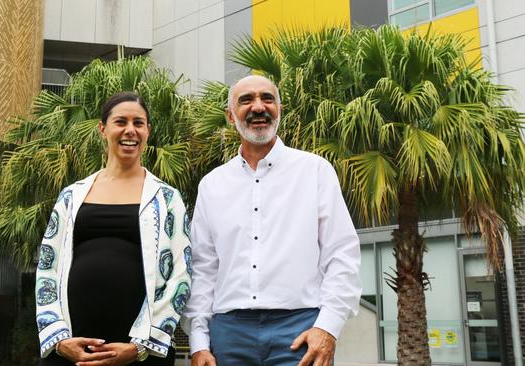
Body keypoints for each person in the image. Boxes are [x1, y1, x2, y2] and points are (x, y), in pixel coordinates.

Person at [183, 75, 361, 366]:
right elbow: (204, 269)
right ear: (230, 116)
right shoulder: (212, 185)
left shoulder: (315, 171)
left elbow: (341, 254)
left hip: (300, 329)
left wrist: (327, 327)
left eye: (267, 98)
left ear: (280, 109)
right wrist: (199, 343)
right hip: (229, 334)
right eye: (246, 100)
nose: (258, 107)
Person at [35, 91, 192, 366]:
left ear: (148, 131)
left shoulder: (167, 199)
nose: (130, 130)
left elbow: (181, 275)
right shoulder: (71, 197)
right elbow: (48, 268)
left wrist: (141, 346)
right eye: (121, 121)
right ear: (103, 129)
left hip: (142, 355)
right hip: (73, 351)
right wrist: (59, 340)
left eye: (138, 123)